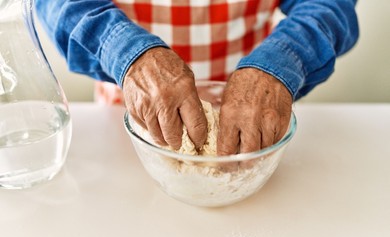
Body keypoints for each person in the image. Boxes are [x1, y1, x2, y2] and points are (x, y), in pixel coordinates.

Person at [35, 0, 359, 155]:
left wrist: (283, 60)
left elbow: (328, 5)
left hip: (256, 128)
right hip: (123, 128)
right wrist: (124, 49)